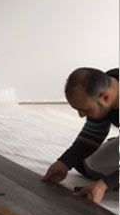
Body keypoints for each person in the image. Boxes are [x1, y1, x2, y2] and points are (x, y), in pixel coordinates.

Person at [43, 67, 118, 204]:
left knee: (108, 180)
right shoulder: (107, 85)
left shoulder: (104, 92)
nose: (81, 115)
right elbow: (93, 134)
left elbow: (105, 184)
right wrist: (65, 162)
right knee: (89, 166)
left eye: (85, 110)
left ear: (106, 98)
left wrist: (105, 184)